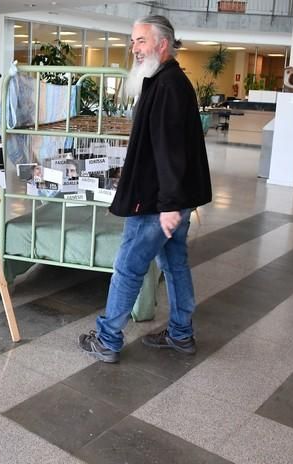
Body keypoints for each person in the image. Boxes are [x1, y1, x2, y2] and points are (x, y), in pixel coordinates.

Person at [79, 15, 212, 363]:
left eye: (141, 41)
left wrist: (169, 205)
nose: (134, 48)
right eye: (133, 41)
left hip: (156, 200)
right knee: (174, 264)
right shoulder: (167, 81)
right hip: (170, 197)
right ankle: (181, 334)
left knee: (128, 264)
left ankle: (107, 339)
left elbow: (169, 150)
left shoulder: (167, 86)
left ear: (162, 44)